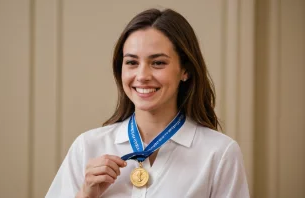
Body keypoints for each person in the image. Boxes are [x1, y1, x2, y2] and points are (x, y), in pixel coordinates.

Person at [46, 8, 250, 198]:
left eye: (158, 63)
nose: (142, 76)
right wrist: (85, 194)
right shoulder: (87, 147)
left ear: (185, 70)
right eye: (132, 63)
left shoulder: (220, 154)